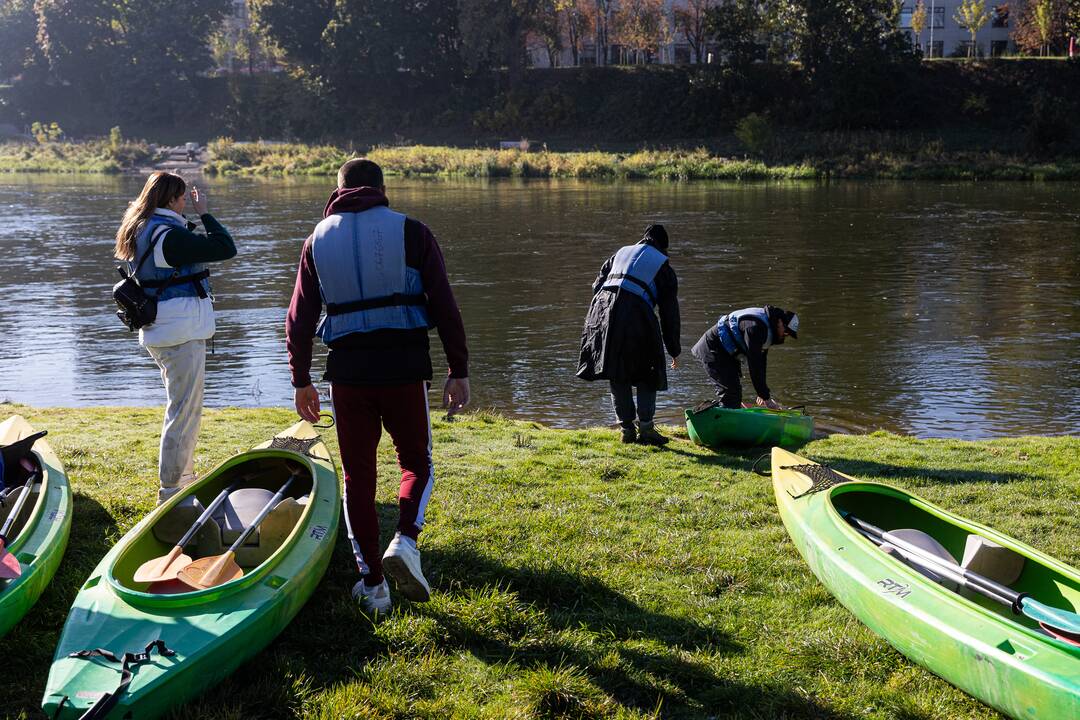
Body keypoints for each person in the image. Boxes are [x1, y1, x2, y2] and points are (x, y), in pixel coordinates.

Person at [286, 158, 470, 615]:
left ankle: (373, 587)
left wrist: (301, 380)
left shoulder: (316, 241)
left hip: (347, 376)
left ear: (338, 189)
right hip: (404, 369)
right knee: (416, 462)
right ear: (382, 188)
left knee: (358, 479)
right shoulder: (412, 232)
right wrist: (458, 368)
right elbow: (444, 304)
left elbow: (298, 320)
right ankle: (406, 541)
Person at [113, 172, 236, 505]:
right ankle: (172, 492)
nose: (187, 203)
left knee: (184, 408)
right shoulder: (169, 235)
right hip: (179, 332)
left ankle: (183, 480)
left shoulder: (141, 227)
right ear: (171, 200)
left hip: (163, 330)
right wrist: (205, 213)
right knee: (183, 411)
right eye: (183, 198)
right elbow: (226, 248)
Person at [576, 225, 680, 445]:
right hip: (635, 312)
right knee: (648, 370)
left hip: (601, 311)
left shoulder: (620, 253)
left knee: (617, 370)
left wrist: (605, 319)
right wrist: (673, 349)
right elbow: (669, 313)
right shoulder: (662, 265)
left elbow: (597, 285)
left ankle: (626, 430)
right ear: (663, 246)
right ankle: (646, 429)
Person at [690, 306, 799, 410]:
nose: (784, 336)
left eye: (788, 334)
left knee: (734, 394)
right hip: (712, 348)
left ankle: (730, 415)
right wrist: (766, 398)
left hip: (726, 353)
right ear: (780, 322)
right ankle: (716, 422)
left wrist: (763, 393)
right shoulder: (756, 327)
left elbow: (761, 363)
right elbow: (754, 365)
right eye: (785, 332)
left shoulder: (768, 326)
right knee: (731, 394)